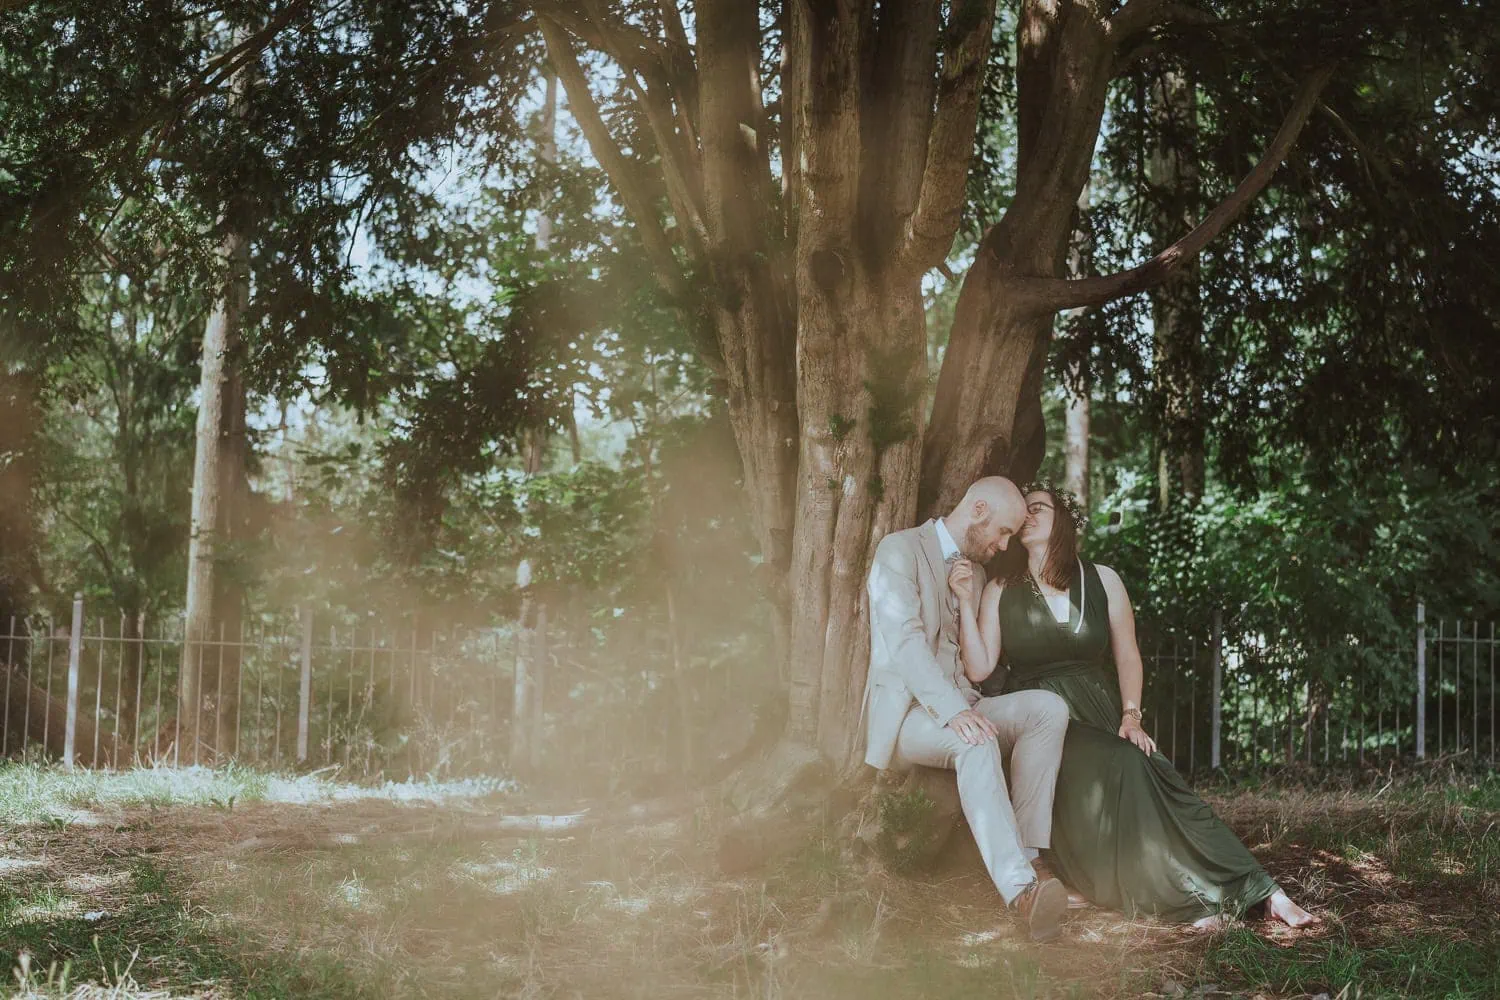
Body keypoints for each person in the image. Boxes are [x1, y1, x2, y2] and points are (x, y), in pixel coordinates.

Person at [949, 483, 1319, 928]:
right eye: (1022, 510)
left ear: (1063, 518)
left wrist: (1131, 714)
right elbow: (979, 667)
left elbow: (1127, 655)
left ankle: (1262, 889)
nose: (1027, 515)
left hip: (1101, 708)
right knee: (1123, 765)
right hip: (1042, 719)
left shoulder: (1103, 579)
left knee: (1158, 774)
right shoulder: (1001, 588)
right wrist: (966, 604)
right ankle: (1186, 900)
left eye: (1038, 508)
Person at [863, 476, 1072, 941]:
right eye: (1001, 532)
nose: (1003, 546)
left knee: (1047, 709)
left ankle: (1031, 854)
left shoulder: (973, 573)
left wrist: (963, 600)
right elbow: (906, 643)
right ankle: (1021, 893)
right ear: (978, 509)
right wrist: (953, 712)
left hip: (966, 704)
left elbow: (974, 668)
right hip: (911, 716)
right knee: (975, 743)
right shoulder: (897, 551)